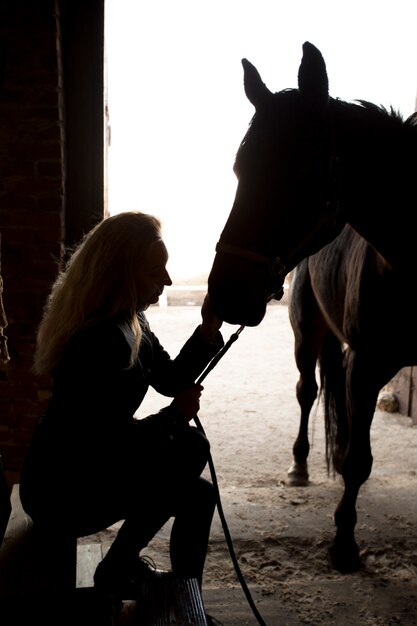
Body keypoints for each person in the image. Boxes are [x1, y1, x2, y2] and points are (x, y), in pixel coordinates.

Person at [19, 211, 224, 623]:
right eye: (154, 272)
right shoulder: (94, 338)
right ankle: (115, 570)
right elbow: (104, 441)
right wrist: (173, 418)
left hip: (91, 466)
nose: (165, 281)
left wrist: (208, 328)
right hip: (62, 487)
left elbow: (170, 378)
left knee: (198, 493)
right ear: (121, 273)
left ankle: (184, 602)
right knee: (189, 448)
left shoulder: (131, 319)